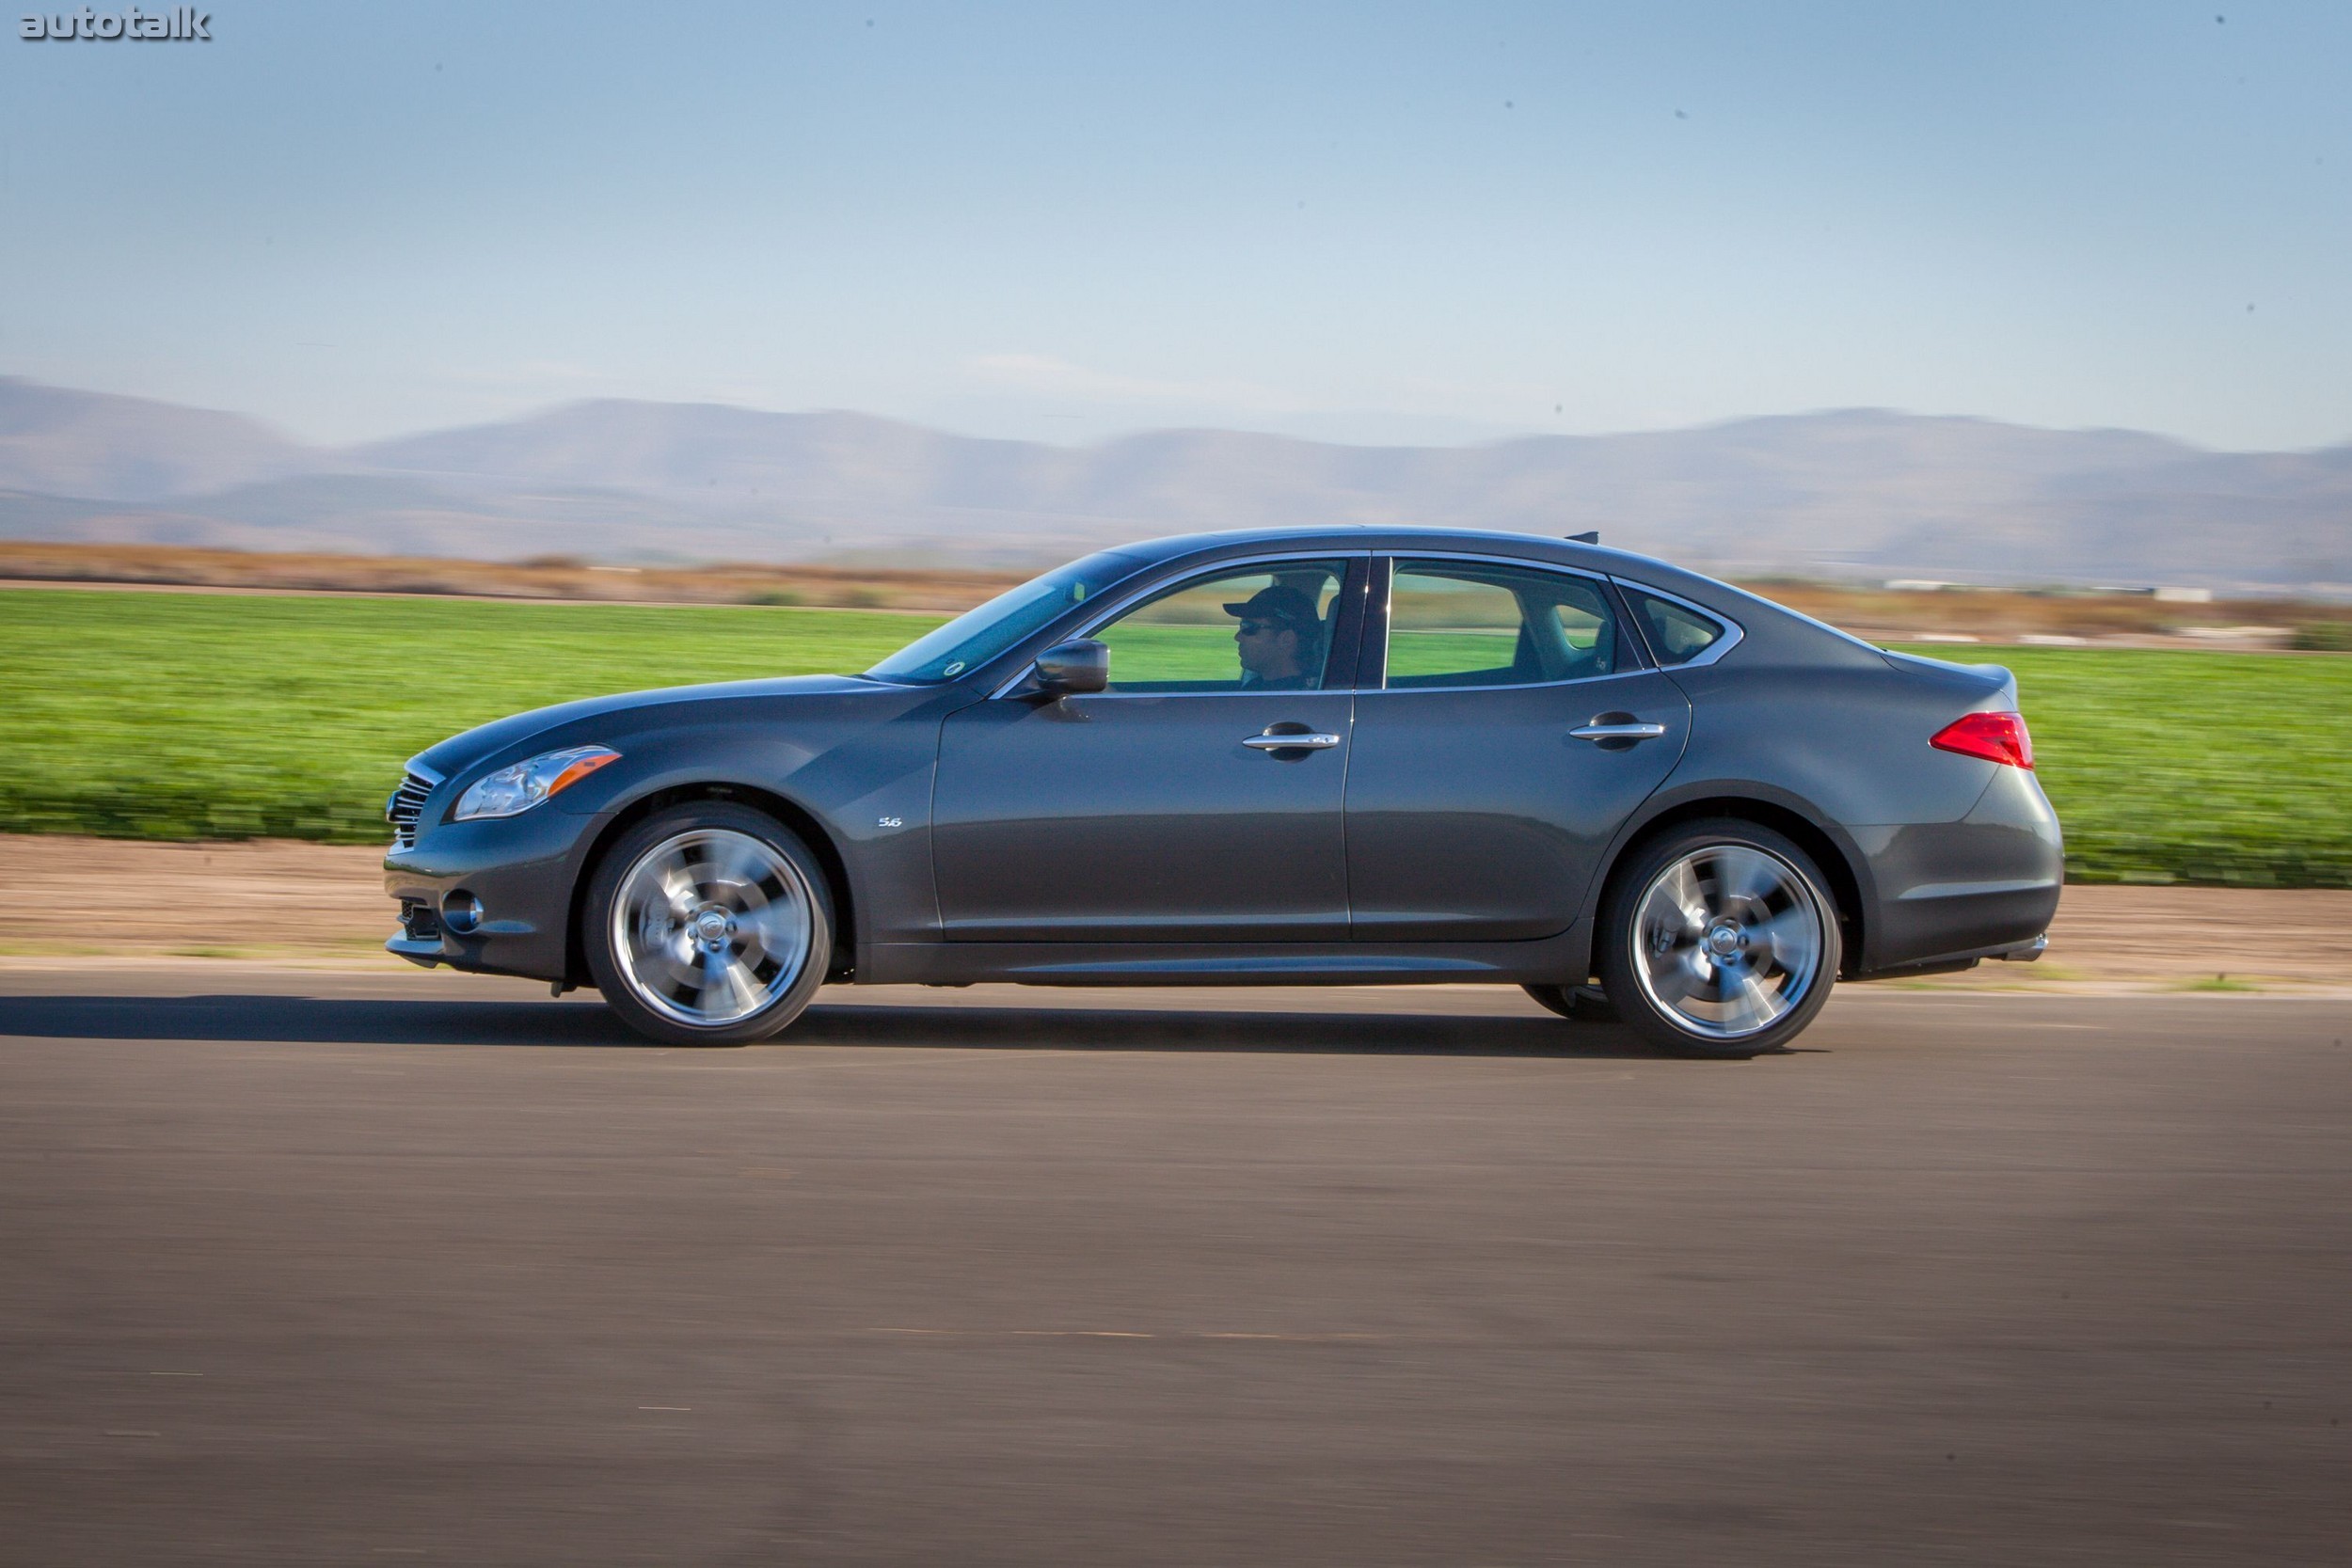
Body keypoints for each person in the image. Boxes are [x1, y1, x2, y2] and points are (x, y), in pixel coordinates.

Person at [1223, 584, 1324, 689]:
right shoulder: (1256, 687)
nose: (1238, 637)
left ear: (1286, 639)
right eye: (1242, 625)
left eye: (1248, 627)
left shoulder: (1293, 699)